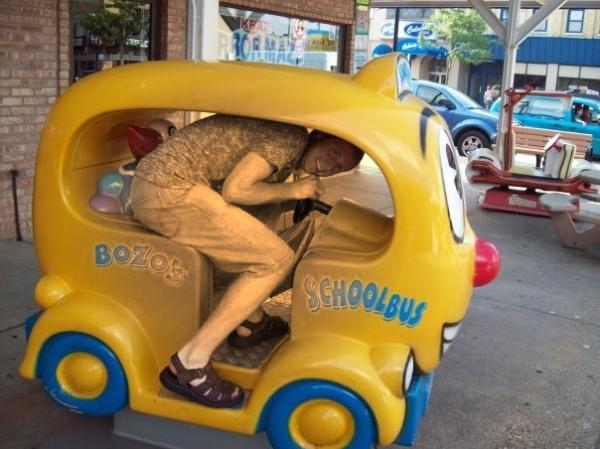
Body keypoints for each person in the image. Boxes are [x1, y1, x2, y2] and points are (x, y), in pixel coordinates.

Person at [129, 114, 363, 408]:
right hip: (166, 188)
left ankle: (250, 323)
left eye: (339, 168)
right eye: (334, 152)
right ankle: (190, 363)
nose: (330, 166)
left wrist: (292, 196)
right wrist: (294, 190)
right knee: (275, 259)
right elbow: (236, 190)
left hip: (177, 187)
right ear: (317, 136)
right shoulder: (289, 138)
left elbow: (248, 196)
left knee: (262, 229)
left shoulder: (287, 153)